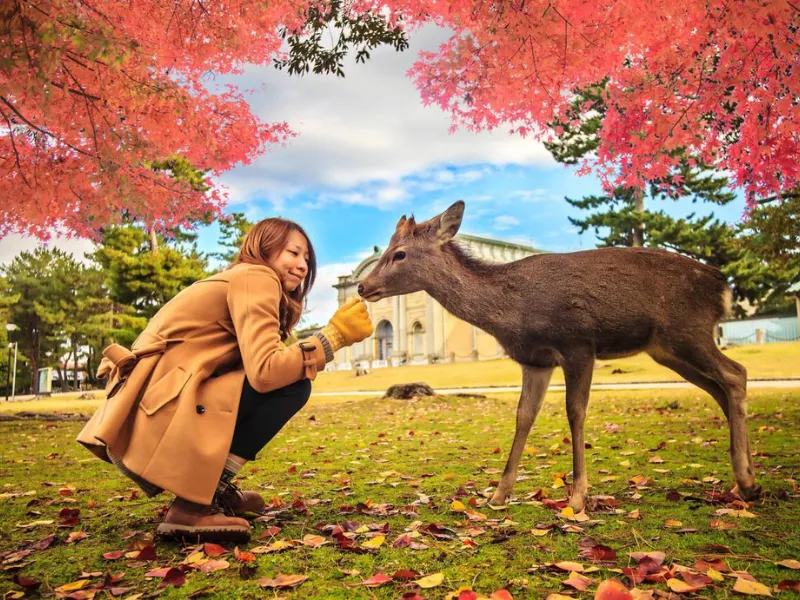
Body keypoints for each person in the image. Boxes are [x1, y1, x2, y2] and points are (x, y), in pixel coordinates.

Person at [77, 218, 374, 542]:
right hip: (160, 409)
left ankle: (208, 491)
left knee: (287, 379)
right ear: (264, 247)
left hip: (148, 408)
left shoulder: (240, 279)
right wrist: (332, 337)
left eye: (307, 259)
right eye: (294, 252)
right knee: (292, 386)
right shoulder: (257, 277)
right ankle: (194, 504)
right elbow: (265, 371)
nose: (302, 265)